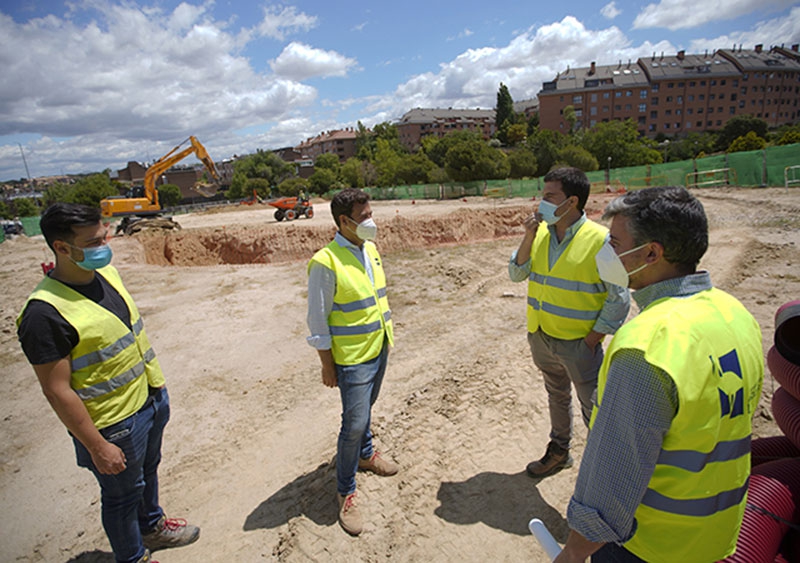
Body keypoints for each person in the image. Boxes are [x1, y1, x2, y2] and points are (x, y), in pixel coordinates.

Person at [555, 186, 764, 563]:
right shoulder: (735, 314)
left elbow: (614, 475)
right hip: (714, 537)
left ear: (652, 253)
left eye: (615, 244)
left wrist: (572, 552)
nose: (607, 254)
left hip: (650, 544)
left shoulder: (648, 345)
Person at [16, 203, 199, 563]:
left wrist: (156, 393)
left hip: (147, 401)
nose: (105, 244)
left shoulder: (106, 275)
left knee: (147, 473)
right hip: (112, 424)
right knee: (121, 497)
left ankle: (151, 527)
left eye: (104, 235)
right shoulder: (44, 313)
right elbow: (56, 389)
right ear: (61, 248)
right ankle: (133, 557)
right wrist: (97, 445)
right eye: (94, 241)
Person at [508, 167, 630, 478]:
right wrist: (528, 235)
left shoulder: (600, 240)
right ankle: (559, 451)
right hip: (542, 337)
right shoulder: (541, 235)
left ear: (572, 201)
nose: (541, 202)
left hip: (579, 345)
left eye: (550, 196)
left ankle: (609, 469)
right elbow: (516, 273)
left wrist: (593, 338)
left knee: (594, 406)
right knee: (556, 394)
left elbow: (619, 298)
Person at [306, 188, 398, 536]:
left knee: (366, 412)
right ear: (343, 222)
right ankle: (345, 489)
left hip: (379, 346)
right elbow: (318, 321)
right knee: (354, 422)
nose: (370, 221)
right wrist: (327, 365)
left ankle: (366, 454)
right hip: (352, 359)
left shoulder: (369, 249)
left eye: (370, 213)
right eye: (363, 217)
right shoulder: (324, 262)